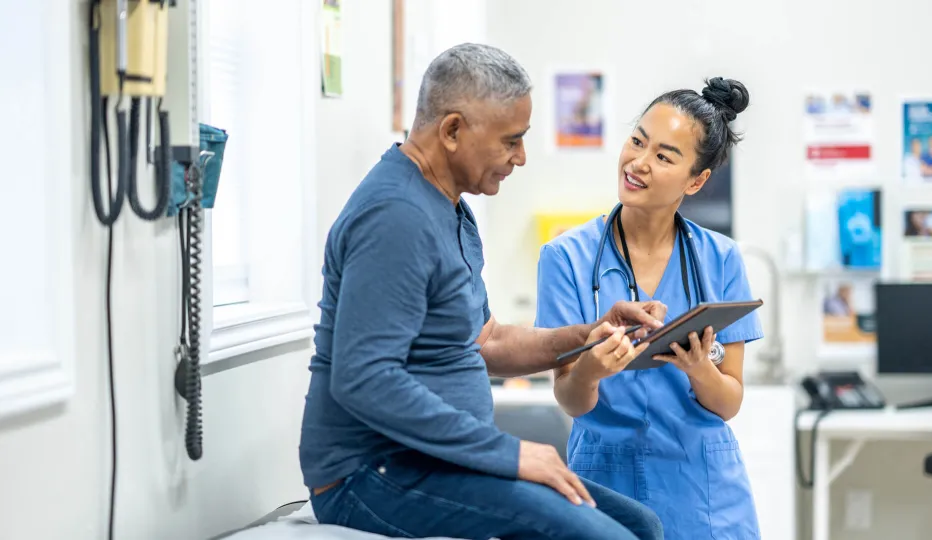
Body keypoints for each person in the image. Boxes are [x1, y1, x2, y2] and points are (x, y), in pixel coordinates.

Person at [299, 43, 666, 540]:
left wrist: (591, 334)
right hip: (372, 475)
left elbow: (486, 340)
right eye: (510, 141)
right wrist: (510, 454)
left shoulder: (450, 208)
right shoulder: (396, 218)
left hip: (436, 462)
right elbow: (363, 378)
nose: (520, 157)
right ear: (452, 130)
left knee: (640, 524)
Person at [534, 77, 765, 539]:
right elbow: (570, 398)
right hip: (605, 482)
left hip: (704, 491)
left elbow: (729, 401)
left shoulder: (720, 259)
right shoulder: (565, 258)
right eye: (637, 141)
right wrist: (590, 370)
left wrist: (701, 369)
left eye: (664, 156)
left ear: (696, 180)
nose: (638, 163)